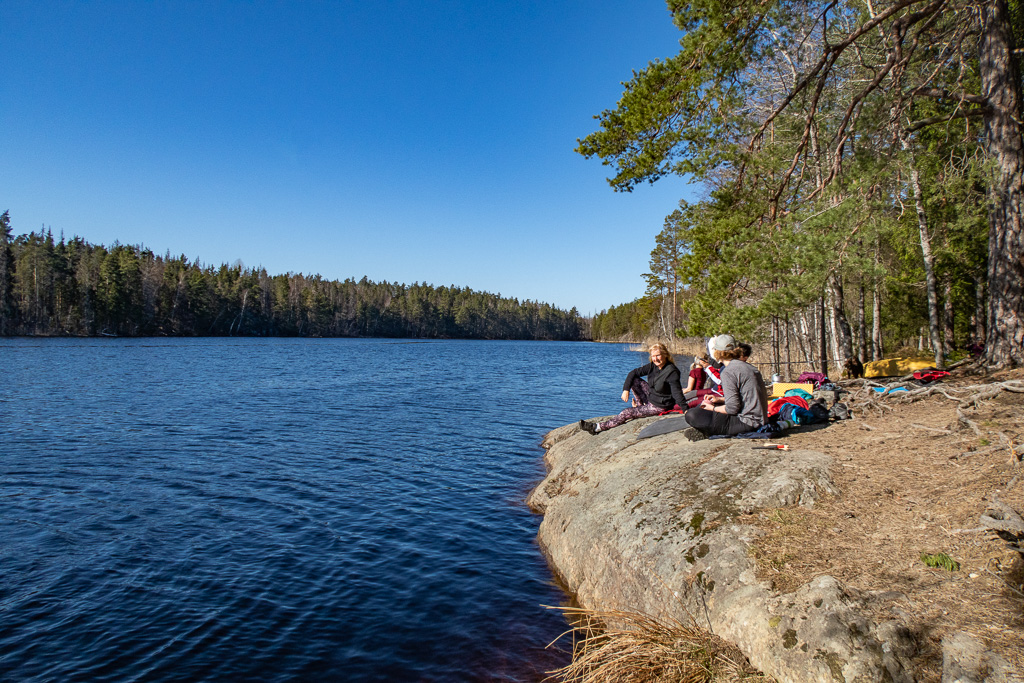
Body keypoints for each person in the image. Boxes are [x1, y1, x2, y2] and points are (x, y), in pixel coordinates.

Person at [580, 343, 686, 434]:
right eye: (653, 356)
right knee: (634, 379)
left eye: (658, 355)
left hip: (659, 405)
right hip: (652, 396)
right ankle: (640, 406)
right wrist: (625, 390)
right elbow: (633, 373)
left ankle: (597, 427)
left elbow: (677, 393)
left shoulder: (672, 372)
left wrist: (685, 410)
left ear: (665, 355)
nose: (655, 359)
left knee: (626, 412)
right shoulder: (653, 366)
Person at [683, 334, 768, 439]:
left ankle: (706, 432)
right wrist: (719, 399)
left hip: (748, 422)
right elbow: (744, 399)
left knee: (692, 414)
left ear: (717, 353)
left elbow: (732, 409)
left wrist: (712, 408)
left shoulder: (728, 372)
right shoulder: (749, 367)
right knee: (706, 410)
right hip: (760, 418)